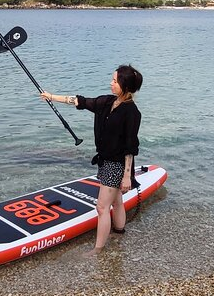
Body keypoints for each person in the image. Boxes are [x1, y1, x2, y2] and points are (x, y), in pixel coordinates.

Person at [40, 64, 143, 257]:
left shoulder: (132, 113)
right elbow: (80, 101)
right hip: (105, 160)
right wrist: (51, 96)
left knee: (102, 207)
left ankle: (98, 250)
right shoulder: (106, 102)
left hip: (117, 165)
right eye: (112, 80)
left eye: (115, 81)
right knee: (117, 201)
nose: (111, 83)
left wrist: (127, 177)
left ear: (125, 85)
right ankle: (119, 233)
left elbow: (130, 147)